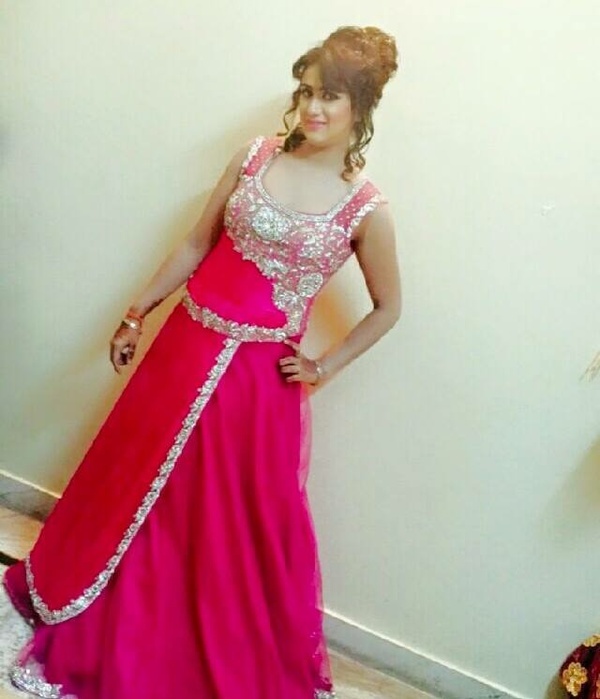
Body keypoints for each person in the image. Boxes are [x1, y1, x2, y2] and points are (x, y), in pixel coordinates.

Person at [2, 24, 401, 699]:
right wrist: (138, 311)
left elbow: (389, 308)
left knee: (217, 523)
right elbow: (196, 245)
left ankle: (180, 640)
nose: (313, 108)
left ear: (361, 106)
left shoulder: (366, 208)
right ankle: (103, 599)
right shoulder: (255, 157)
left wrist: (323, 365)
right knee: (134, 483)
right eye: (307, 91)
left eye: (331, 96)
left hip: (254, 387)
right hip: (184, 348)